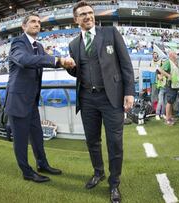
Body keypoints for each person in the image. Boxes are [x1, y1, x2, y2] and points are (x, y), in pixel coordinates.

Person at [66, 2, 134, 202]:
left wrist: (129, 92)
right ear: (76, 20)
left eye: (90, 13)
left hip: (111, 97)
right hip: (87, 99)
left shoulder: (110, 33)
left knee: (115, 143)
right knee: (92, 141)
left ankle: (114, 183)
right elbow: (77, 72)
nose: (88, 16)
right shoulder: (73, 45)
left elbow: (126, 64)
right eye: (83, 14)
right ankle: (98, 172)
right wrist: (69, 67)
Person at [5, 14, 74, 183]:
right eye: (33, 21)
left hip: (31, 102)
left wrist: (68, 64)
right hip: (18, 101)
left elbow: (42, 61)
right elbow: (25, 60)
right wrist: (58, 60)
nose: (37, 24)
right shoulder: (18, 43)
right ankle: (27, 172)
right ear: (24, 26)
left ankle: (42, 164)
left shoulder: (40, 46)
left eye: (39, 22)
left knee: (37, 136)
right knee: (21, 141)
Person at [159, 51, 179, 125]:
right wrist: (168, 76)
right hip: (170, 85)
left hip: (175, 85)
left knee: (171, 102)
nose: (176, 55)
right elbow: (161, 70)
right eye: (175, 54)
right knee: (169, 102)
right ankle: (167, 119)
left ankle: (170, 117)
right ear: (171, 55)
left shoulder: (175, 62)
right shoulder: (168, 62)